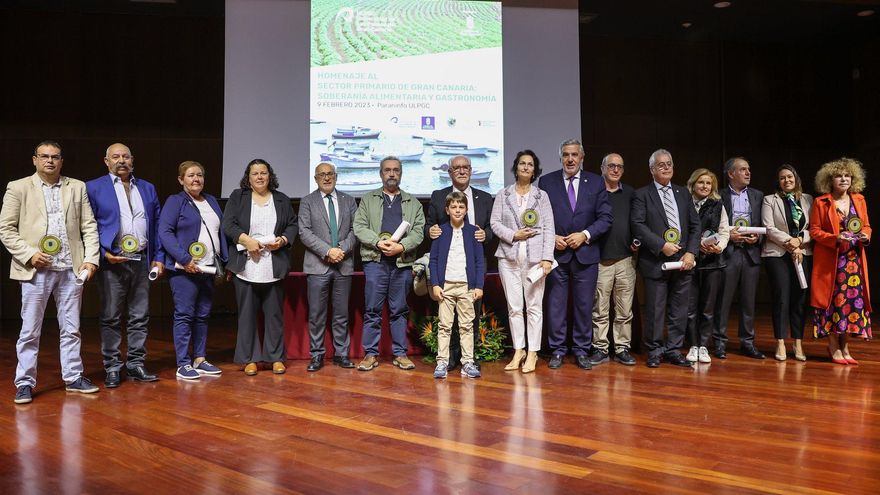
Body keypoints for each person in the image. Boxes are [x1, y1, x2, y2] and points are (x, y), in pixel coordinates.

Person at [0, 141, 100, 404]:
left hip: (71, 268)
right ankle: (24, 382)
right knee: (30, 330)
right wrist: (29, 254)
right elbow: (6, 229)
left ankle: (73, 377)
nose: (50, 161)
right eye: (44, 156)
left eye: (55, 157)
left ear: (62, 161)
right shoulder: (18, 187)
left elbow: (89, 226)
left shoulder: (76, 187)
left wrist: (90, 260)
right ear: (34, 160)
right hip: (36, 270)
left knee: (72, 328)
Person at [86, 143, 163, 388]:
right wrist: (102, 253)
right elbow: (86, 225)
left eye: (126, 156)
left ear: (133, 159)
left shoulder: (148, 188)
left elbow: (158, 225)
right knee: (110, 316)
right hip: (112, 262)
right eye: (116, 157)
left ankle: (136, 364)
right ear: (106, 161)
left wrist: (158, 257)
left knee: (139, 316)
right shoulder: (93, 187)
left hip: (141, 260)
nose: (122, 160)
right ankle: (112, 367)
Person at [537, 139, 612, 370]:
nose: (570, 159)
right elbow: (538, 218)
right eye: (566, 155)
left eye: (574, 155)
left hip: (586, 254)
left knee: (583, 305)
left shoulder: (597, 182)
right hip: (557, 256)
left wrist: (585, 235)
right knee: (556, 305)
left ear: (582, 157)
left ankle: (581, 350)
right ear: (560, 157)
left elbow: (605, 218)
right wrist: (552, 239)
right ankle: (557, 350)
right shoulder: (546, 182)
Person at [223, 159, 297, 375]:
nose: (259, 177)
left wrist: (283, 240)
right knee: (246, 314)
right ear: (248, 177)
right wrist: (247, 241)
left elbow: (292, 225)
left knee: (274, 315)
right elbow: (229, 224)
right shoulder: (238, 197)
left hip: (273, 265)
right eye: (254, 173)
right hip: (246, 266)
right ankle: (250, 359)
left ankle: (275, 358)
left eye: (263, 172)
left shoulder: (281, 199)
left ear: (269, 175)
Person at [353, 156, 425, 371]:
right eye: (387, 170)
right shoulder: (368, 199)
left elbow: (419, 232)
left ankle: (400, 354)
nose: (391, 174)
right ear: (381, 173)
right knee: (372, 310)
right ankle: (370, 354)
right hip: (376, 262)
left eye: (395, 170)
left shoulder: (414, 203)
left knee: (400, 310)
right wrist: (377, 242)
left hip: (402, 264)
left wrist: (401, 247)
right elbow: (359, 227)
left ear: (401, 173)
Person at [158, 161, 228, 380]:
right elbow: (165, 232)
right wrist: (185, 259)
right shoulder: (175, 201)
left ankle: (199, 359)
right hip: (184, 269)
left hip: (208, 269)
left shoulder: (212, 201)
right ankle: (183, 364)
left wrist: (224, 262)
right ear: (181, 180)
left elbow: (221, 232)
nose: (196, 179)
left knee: (203, 315)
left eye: (199, 175)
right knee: (185, 315)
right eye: (190, 175)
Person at [630, 149, 699, 368]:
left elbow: (695, 226)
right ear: (652, 170)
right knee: (655, 309)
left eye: (669, 163)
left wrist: (691, 252)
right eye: (661, 165)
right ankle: (654, 350)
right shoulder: (642, 194)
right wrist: (661, 246)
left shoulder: (682, 193)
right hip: (656, 260)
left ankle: (674, 349)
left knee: (679, 308)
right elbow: (638, 225)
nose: (667, 167)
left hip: (683, 261)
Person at [426, 155, 494, 370]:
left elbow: (493, 227)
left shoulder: (484, 197)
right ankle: (447, 359)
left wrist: (486, 235)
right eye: (457, 168)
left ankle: (468, 359)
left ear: (471, 170)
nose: (462, 171)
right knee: (446, 322)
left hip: (473, 267)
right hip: (447, 270)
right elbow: (429, 226)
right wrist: (430, 230)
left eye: (466, 167)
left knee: (469, 319)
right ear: (450, 172)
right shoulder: (438, 196)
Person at [490, 150, 555, 373]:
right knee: (515, 308)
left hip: (536, 260)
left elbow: (548, 228)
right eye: (522, 163)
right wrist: (513, 235)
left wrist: (547, 258)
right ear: (515, 167)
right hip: (508, 258)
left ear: (534, 170)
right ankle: (519, 350)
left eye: (530, 164)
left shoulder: (541, 196)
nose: (526, 167)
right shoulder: (503, 194)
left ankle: (533, 353)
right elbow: (494, 223)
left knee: (534, 307)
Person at [809, 157, 872, 364]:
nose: (843, 179)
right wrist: (834, 238)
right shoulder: (821, 202)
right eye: (838, 176)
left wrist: (865, 235)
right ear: (830, 180)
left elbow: (867, 226)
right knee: (833, 304)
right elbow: (815, 231)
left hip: (854, 261)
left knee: (851, 304)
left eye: (847, 176)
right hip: (832, 261)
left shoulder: (859, 199)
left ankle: (845, 347)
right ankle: (833, 346)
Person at [299, 162, 358, 371]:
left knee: (342, 314)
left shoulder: (349, 200)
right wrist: (328, 251)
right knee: (316, 315)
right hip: (318, 266)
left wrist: (341, 249)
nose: (326, 178)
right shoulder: (307, 201)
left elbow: (355, 229)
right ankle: (317, 355)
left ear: (336, 176)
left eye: (330, 174)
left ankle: (341, 354)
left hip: (344, 265)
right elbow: (304, 232)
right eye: (322, 175)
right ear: (315, 178)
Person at [429, 191, 485, 379]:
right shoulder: (440, 231)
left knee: (467, 325)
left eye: (461, 207)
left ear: (466, 209)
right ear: (447, 209)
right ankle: (442, 362)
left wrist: (478, 285)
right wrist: (435, 284)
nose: (457, 210)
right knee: (445, 325)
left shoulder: (473, 232)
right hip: (445, 286)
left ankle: (467, 362)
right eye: (453, 207)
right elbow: (434, 260)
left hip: (466, 286)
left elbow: (479, 261)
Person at [715, 157, 766, 359]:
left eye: (749, 169)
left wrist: (757, 237)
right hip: (729, 252)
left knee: (748, 302)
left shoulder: (758, 195)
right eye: (743, 169)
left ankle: (747, 343)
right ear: (731, 173)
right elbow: (713, 224)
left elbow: (764, 222)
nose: (748, 173)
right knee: (723, 301)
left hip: (751, 253)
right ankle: (719, 342)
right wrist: (729, 236)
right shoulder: (719, 195)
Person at [762, 164, 813, 361]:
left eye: (790, 177)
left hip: (803, 252)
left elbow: (814, 226)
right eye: (782, 178)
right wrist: (791, 243)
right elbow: (769, 228)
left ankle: (798, 342)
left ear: (796, 179)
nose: (787, 180)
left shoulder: (808, 199)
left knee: (800, 298)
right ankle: (780, 342)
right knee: (782, 297)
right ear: (778, 181)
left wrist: (800, 241)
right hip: (777, 254)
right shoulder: (769, 200)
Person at [591, 153, 638, 366]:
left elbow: (638, 222)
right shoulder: (593, 191)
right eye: (611, 166)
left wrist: (637, 241)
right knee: (600, 309)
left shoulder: (630, 193)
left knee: (624, 310)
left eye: (620, 166)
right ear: (602, 168)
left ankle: (622, 348)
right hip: (600, 260)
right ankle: (600, 348)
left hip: (626, 260)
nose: (615, 170)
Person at [684, 168, 730, 364]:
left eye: (708, 183)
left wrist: (718, 247)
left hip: (713, 262)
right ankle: (692, 345)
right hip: (690, 261)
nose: (704, 186)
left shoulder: (718, 205)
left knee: (708, 307)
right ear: (693, 184)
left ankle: (703, 346)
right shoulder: (684, 204)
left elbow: (724, 231)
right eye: (701, 182)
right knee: (691, 306)